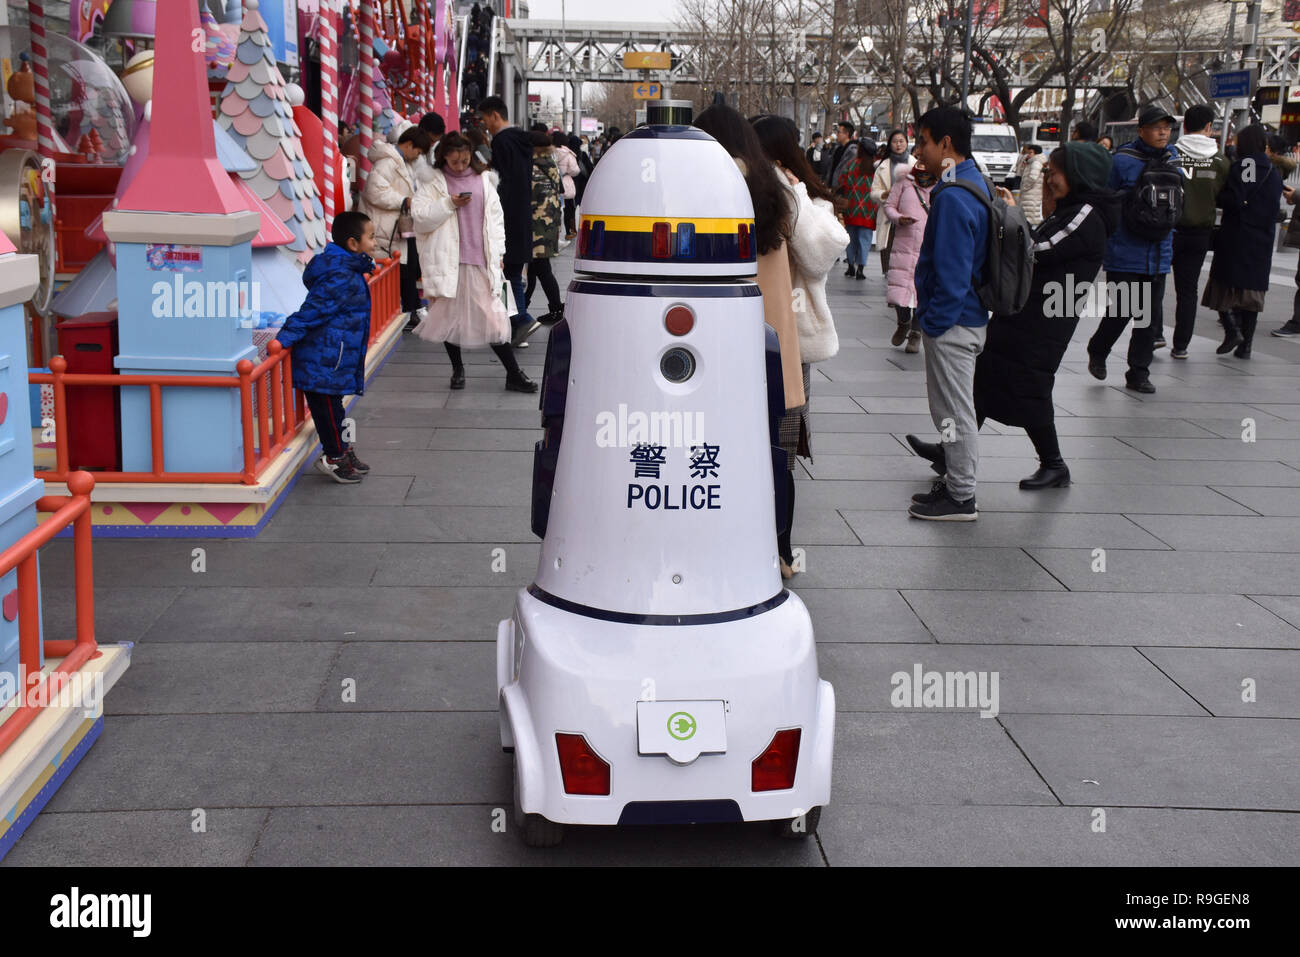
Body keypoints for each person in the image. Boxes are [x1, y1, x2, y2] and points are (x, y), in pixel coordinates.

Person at [695, 104, 804, 577]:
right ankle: (780, 550)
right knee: (778, 451)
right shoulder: (773, 188)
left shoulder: (709, 183)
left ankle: (725, 544)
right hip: (777, 348)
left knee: (722, 450)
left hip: (726, 348)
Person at [973, 142, 1119, 489]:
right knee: (986, 374)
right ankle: (953, 449)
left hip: (1047, 318)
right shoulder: (1071, 208)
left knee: (1031, 384)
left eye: (1054, 171)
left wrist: (1013, 216)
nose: (1048, 178)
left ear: (1078, 174)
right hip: (1029, 309)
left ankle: (1054, 464)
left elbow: (1038, 249)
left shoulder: (1086, 212)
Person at [905, 106, 991, 522]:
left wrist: (934, 322)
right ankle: (956, 480)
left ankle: (961, 497)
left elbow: (953, 274)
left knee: (954, 412)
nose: (919, 150)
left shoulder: (955, 197)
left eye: (923, 141)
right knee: (950, 412)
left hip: (955, 324)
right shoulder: (969, 182)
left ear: (946, 144)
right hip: (963, 320)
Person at [410, 131, 537, 393]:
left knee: (493, 319)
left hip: (481, 260)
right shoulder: (432, 182)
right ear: (444, 156)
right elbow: (420, 218)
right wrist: (449, 203)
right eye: (455, 161)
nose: (460, 165)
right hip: (448, 261)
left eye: (465, 160)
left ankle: (513, 373)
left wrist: (499, 254)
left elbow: (496, 220)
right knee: (448, 318)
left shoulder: (484, 181)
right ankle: (458, 369)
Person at [276, 211, 376, 484]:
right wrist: (284, 337)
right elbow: (314, 310)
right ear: (353, 244)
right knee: (328, 411)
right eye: (371, 236)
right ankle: (333, 456)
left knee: (335, 409)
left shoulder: (349, 268)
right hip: (323, 355)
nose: (375, 242)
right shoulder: (341, 274)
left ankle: (343, 449)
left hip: (333, 353)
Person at [1086, 105, 1181, 392]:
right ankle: (1098, 349)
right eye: (1156, 127)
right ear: (1141, 131)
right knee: (1122, 311)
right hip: (1126, 252)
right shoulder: (1122, 160)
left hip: (1160, 252)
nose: (1163, 132)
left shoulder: (1174, 159)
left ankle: (1138, 372)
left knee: (1149, 319)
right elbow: (1104, 198)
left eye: (1166, 127)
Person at [1201, 123, 1283, 360]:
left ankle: (1233, 331)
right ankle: (1245, 346)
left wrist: (1221, 195)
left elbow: (1238, 198)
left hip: (1239, 235)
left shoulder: (1247, 165)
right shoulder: (1272, 170)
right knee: (1252, 294)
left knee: (1225, 285)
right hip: (1262, 238)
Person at [478, 95, 541, 347]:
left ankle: (519, 320)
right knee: (512, 272)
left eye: (485, 120)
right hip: (522, 215)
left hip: (506, 217)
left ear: (495, 115)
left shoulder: (502, 142)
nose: (486, 126)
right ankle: (518, 325)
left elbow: (501, 184)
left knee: (504, 274)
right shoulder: (522, 141)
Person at [1169, 104, 1230, 359]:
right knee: (1188, 291)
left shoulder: (1172, 154)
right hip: (1200, 234)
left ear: (1184, 126)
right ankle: (1181, 344)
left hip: (1168, 230)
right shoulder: (1220, 161)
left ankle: (1154, 335)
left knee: (1154, 283)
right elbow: (1225, 197)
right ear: (1209, 127)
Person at [358, 126, 433, 332]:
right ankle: (410, 310)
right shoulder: (387, 163)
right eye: (417, 152)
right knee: (402, 269)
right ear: (409, 145)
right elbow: (375, 192)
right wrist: (403, 200)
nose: (417, 156)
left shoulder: (400, 162)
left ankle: (411, 309)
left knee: (408, 267)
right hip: (387, 226)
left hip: (397, 225)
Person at [882, 159, 936, 354]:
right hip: (903, 243)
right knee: (899, 290)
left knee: (922, 292)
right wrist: (898, 218)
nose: (923, 178)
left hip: (928, 246)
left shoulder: (940, 187)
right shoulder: (903, 182)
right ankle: (903, 321)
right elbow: (889, 206)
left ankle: (915, 333)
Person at [524, 130, 565, 324]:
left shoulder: (533, 168)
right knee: (535, 269)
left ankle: (554, 308)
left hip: (537, 226)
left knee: (540, 268)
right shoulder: (550, 164)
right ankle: (525, 307)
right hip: (548, 224)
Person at [870, 129, 915, 274]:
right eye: (895, 142)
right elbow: (873, 192)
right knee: (888, 245)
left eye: (901, 141)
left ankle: (904, 271)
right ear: (890, 145)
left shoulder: (915, 164)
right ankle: (889, 271)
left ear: (907, 143)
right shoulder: (882, 165)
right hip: (888, 212)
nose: (898, 144)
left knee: (907, 244)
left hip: (909, 210)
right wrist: (884, 194)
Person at [836, 145, 877, 279]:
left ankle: (850, 266)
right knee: (865, 240)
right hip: (869, 210)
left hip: (851, 208)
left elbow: (841, 181)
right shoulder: (875, 167)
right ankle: (861, 268)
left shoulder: (851, 165)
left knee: (851, 238)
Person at [550, 130, 580, 241]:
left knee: (554, 209)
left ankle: (555, 235)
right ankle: (569, 231)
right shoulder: (568, 154)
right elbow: (575, 170)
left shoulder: (549, 152)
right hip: (566, 183)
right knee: (569, 209)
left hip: (552, 182)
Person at [1017, 144, 1047, 226]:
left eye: (1030, 153)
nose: (1028, 155)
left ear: (1036, 154)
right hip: (1031, 194)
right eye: (1028, 152)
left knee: (1030, 216)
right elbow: (1020, 173)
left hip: (1031, 193)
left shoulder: (1036, 163)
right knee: (1029, 214)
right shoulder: (1031, 162)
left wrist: (1024, 187)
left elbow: (1033, 178)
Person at [828, 121, 860, 193]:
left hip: (843, 189)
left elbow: (847, 171)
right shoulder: (837, 149)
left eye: (839, 132)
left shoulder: (852, 151)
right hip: (833, 188)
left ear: (846, 134)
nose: (837, 135)